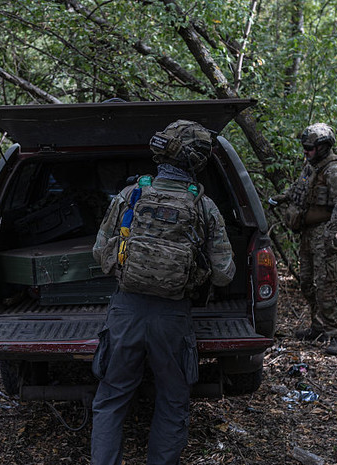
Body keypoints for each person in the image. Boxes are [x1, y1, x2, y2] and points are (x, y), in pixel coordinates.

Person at [90, 120, 236, 465]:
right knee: (172, 400)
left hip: (126, 311)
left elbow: (99, 253)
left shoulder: (131, 195)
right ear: (198, 160)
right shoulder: (203, 206)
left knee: (111, 398)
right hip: (172, 317)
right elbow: (224, 274)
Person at [280, 123, 337, 355]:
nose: (306, 151)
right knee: (306, 282)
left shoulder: (334, 170)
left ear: (322, 147)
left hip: (325, 232)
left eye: (310, 148)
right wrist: (283, 197)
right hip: (308, 231)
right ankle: (318, 327)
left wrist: (332, 232)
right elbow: (298, 189)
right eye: (305, 147)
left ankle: (336, 335)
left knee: (327, 286)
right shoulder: (311, 166)